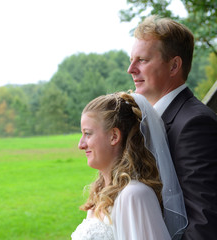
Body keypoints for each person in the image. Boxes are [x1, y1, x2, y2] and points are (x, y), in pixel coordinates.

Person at [128, 15, 217, 240]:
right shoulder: (152, 119)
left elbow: (205, 221)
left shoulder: (194, 124)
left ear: (174, 65)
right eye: (131, 60)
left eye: (142, 60)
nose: (131, 69)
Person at [71, 92, 184, 240]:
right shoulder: (101, 194)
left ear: (114, 136)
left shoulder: (135, 195)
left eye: (88, 134)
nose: (81, 145)